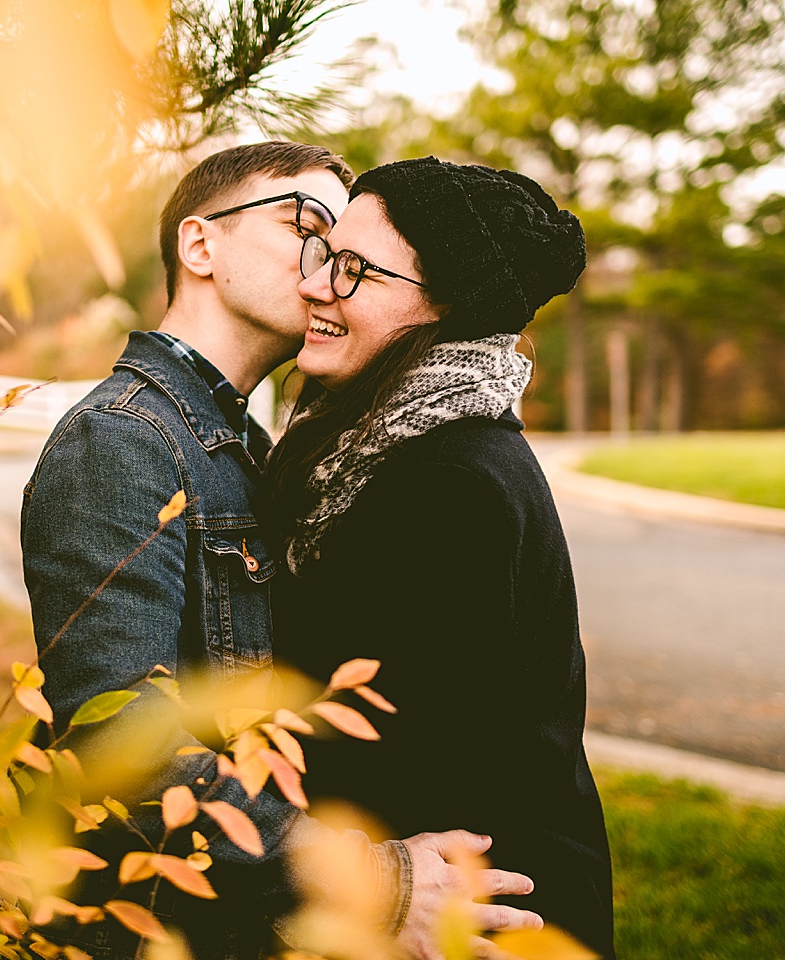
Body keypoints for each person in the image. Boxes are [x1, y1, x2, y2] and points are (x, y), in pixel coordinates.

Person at [20, 142, 544, 959]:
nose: (326, 270)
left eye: (343, 253)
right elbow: (119, 738)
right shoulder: (123, 438)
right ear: (201, 247)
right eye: (309, 230)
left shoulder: (244, 442)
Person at [265, 156, 616, 959]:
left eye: (353, 270)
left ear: (448, 307)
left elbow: (388, 760)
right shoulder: (371, 445)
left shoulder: (450, 486)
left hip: (475, 915)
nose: (315, 285)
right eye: (323, 251)